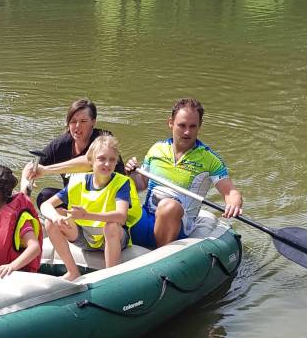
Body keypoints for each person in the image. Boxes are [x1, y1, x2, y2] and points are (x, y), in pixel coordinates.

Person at [27, 97, 243, 249]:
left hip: (178, 221)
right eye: (182, 125)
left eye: (193, 126)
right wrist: (131, 174)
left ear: (199, 126)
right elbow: (140, 185)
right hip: (146, 218)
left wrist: (233, 203)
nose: (187, 132)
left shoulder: (209, 159)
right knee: (111, 202)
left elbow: (230, 191)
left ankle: (161, 257)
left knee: (169, 206)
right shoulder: (157, 149)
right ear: (171, 123)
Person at [40, 134, 141, 281]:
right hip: (85, 236)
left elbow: (121, 216)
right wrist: (55, 217)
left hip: (113, 236)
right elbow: (46, 205)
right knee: (51, 221)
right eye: (101, 159)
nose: (107, 164)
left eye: (112, 160)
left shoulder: (121, 183)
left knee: (111, 226)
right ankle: (72, 272)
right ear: (91, 161)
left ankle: (111, 278)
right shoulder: (78, 181)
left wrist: (86, 215)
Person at [21, 98, 116, 210]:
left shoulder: (103, 140)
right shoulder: (61, 144)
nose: (77, 126)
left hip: (105, 200)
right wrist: (25, 186)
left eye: (83, 121)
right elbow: (32, 165)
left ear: (93, 122)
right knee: (45, 196)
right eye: (73, 121)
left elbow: (89, 162)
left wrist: (46, 170)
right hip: (77, 200)